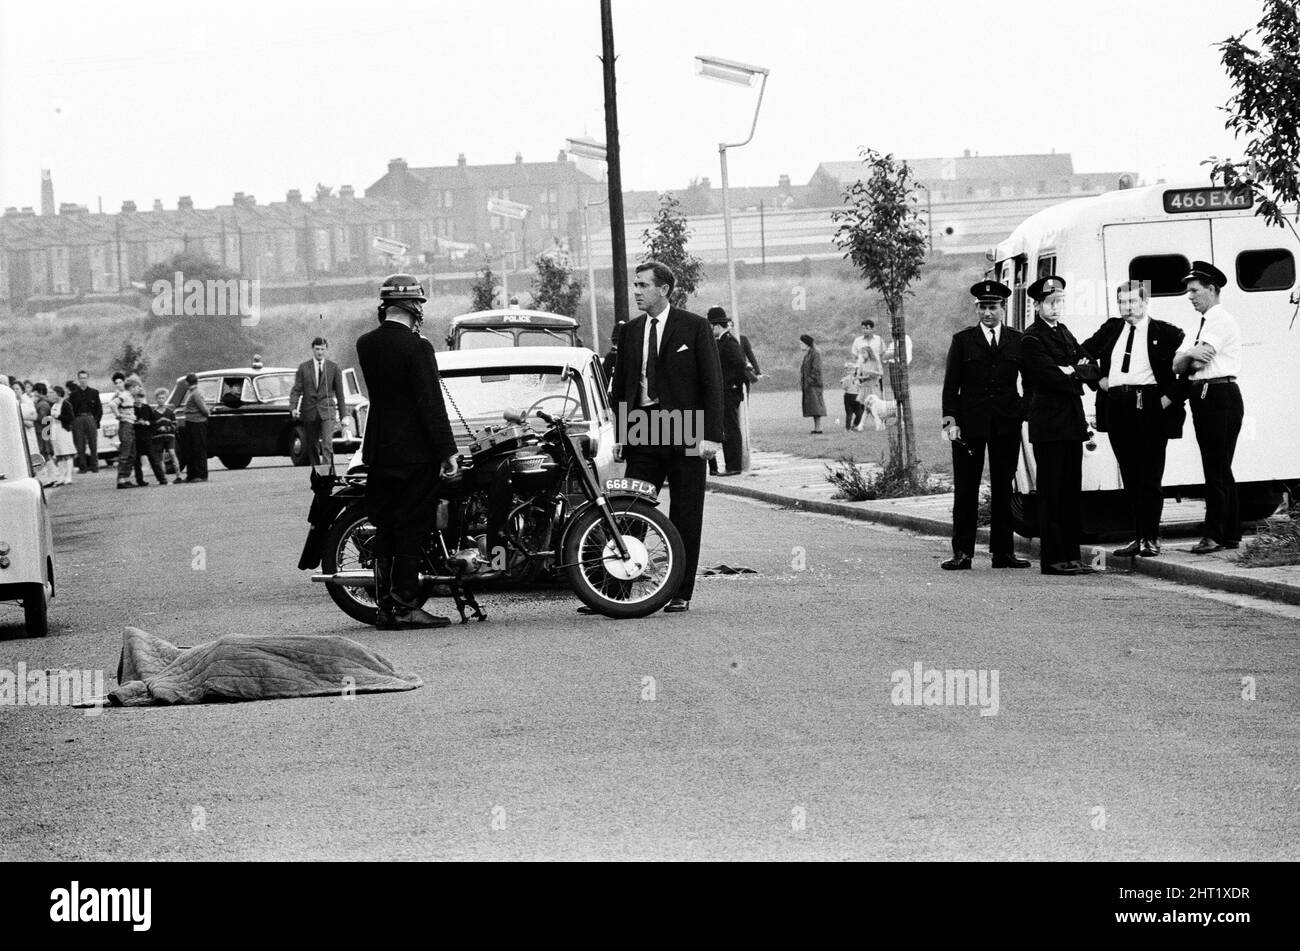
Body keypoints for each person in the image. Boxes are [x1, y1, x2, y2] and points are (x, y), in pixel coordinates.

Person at [607, 260, 724, 614]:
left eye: (643, 285)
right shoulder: (630, 332)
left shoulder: (695, 327)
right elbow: (623, 387)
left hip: (686, 428)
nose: (637, 292)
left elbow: (712, 384)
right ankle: (616, 590)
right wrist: (622, 434)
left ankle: (680, 592)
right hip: (644, 430)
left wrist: (711, 437)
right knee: (629, 511)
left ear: (664, 289)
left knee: (686, 513)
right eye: (636, 285)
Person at [355, 273, 459, 629]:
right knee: (412, 528)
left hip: (380, 451)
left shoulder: (365, 345)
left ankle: (385, 606)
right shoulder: (418, 347)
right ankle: (406, 605)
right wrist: (448, 450)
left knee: (386, 527)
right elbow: (430, 404)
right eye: (419, 305)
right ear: (413, 306)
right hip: (415, 454)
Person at [1082, 280, 1186, 558]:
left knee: (1149, 475)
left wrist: (1166, 400)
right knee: (1129, 475)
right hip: (1117, 405)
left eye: (1132, 302)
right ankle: (1137, 536)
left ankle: (1151, 538)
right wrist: (1099, 380)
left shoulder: (1167, 333)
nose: (1127, 308)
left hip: (1149, 405)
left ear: (1145, 302)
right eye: (1122, 302)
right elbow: (1081, 354)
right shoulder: (1111, 329)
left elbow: (1185, 373)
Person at [939, 280, 1030, 570]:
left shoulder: (1018, 340)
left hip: (1006, 424)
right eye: (983, 307)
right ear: (976, 308)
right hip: (969, 426)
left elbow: (1030, 382)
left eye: (993, 307)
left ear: (1003, 308)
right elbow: (950, 386)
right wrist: (950, 423)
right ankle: (962, 553)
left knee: (1004, 488)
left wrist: (1021, 410)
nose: (987, 313)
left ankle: (1003, 553)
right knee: (966, 489)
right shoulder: (963, 340)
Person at [1020, 275, 1102, 575]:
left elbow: (1089, 365)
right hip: (1049, 423)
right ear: (1037, 304)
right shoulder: (1031, 338)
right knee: (1052, 492)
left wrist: (1075, 371)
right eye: (1050, 302)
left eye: (1059, 302)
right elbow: (1049, 376)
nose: (1055, 308)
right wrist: (1073, 372)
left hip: (1071, 422)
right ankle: (1053, 559)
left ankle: (1071, 556)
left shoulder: (1064, 332)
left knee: (1069, 492)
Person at [1173, 260, 1244, 554]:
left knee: (1216, 468)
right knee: (1218, 467)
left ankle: (1214, 534)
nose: (1190, 296)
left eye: (1194, 290)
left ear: (1211, 289)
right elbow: (1179, 364)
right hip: (1203, 395)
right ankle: (1230, 533)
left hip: (1219, 393)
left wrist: (1188, 356)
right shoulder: (1199, 325)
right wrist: (1189, 354)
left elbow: (1199, 359)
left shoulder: (1219, 320)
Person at [290, 336, 348, 468]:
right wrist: (293, 407)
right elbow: (296, 390)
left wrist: (344, 415)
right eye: (317, 349)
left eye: (322, 349)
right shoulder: (304, 368)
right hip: (309, 412)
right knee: (312, 445)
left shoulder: (333, 368)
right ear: (312, 349)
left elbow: (340, 394)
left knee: (327, 444)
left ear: (326, 349)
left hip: (327, 411)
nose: (320, 352)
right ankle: (318, 474)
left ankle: (327, 475)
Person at [707, 306, 747, 476]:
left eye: (711, 326)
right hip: (725, 392)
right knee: (727, 428)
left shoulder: (729, 342)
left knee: (731, 429)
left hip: (729, 392)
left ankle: (734, 465)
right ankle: (731, 464)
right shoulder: (722, 342)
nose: (710, 329)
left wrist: (732, 384)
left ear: (717, 326)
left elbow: (739, 364)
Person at [131, 380, 169, 486]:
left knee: (153, 459)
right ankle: (140, 480)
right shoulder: (132, 408)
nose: (138, 399)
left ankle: (162, 479)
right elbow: (130, 421)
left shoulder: (146, 408)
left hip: (147, 437)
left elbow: (154, 421)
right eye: (136, 397)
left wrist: (147, 423)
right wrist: (137, 422)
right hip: (136, 437)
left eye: (140, 397)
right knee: (137, 461)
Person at [176, 373, 211, 482]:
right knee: (192, 449)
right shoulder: (193, 393)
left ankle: (200, 475)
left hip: (197, 423)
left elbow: (204, 411)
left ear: (187, 382)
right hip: (192, 422)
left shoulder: (195, 394)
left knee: (198, 449)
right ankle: (192, 474)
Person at [68, 370, 102, 473]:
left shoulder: (94, 392)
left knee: (93, 443)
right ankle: (83, 467)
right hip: (78, 419)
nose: (83, 380)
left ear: (88, 379)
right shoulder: (73, 395)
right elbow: (71, 409)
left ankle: (95, 466)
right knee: (80, 443)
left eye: (85, 378)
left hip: (90, 417)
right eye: (81, 378)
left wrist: (96, 420)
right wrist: (73, 421)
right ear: (78, 379)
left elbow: (98, 408)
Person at [110, 377, 138, 490]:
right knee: (125, 453)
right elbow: (112, 404)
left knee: (132, 453)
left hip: (131, 424)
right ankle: (121, 479)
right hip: (126, 425)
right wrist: (118, 415)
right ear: (131, 388)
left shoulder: (130, 397)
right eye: (136, 387)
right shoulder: (125, 395)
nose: (138, 389)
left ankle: (126, 477)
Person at [48, 385, 76, 485]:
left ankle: (68, 476)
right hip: (55, 431)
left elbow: (70, 418)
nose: (50, 395)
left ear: (58, 393)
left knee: (67, 453)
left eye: (52, 393)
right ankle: (61, 476)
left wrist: (59, 416)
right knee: (59, 454)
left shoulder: (66, 404)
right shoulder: (53, 405)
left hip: (64, 430)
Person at [799, 334, 826, 433]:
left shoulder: (815, 353)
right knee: (813, 407)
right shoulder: (808, 354)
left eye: (801, 343)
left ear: (807, 344)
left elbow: (816, 370)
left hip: (814, 385)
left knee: (816, 406)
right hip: (809, 385)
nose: (800, 345)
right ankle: (816, 428)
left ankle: (818, 428)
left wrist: (810, 381)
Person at [851, 319, 884, 394]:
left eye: (867, 328)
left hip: (875, 371)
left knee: (876, 393)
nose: (864, 330)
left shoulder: (879, 340)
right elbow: (854, 356)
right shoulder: (857, 341)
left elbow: (882, 355)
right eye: (863, 328)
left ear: (872, 329)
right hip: (862, 371)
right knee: (862, 393)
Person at [152, 387, 180, 477]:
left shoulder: (170, 412)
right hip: (158, 438)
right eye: (159, 398)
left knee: (172, 453)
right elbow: (152, 427)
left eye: (163, 398)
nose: (161, 400)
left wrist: (167, 428)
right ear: (156, 399)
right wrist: (158, 429)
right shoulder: (153, 413)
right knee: (160, 457)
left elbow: (174, 425)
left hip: (169, 437)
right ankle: (163, 477)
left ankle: (178, 476)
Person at [840, 359, 867, 431]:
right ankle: (849, 428)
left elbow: (859, 386)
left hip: (855, 396)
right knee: (851, 413)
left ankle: (853, 426)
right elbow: (844, 387)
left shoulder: (856, 378)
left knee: (859, 413)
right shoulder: (846, 379)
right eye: (850, 370)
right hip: (850, 396)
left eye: (853, 369)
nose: (853, 371)